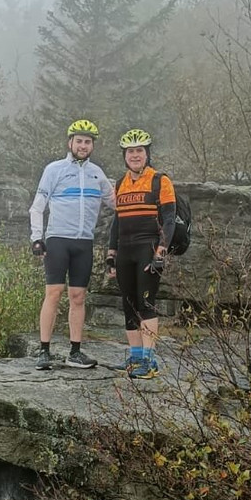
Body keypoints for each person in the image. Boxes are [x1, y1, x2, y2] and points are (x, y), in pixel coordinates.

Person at [29, 119, 116, 370]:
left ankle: (75, 352)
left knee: (78, 297)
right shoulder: (54, 169)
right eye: (79, 141)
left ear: (92, 146)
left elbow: (117, 204)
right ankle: (44, 350)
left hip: (83, 243)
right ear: (70, 142)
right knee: (53, 294)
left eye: (88, 142)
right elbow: (37, 206)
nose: (83, 145)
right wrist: (37, 238)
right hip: (58, 239)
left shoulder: (97, 174)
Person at [106, 128, 174, 379]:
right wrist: (111, 254)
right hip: (125, 250)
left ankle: (149, 361)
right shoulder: (121, 183)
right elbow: (116, 221)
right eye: (130, 151)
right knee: (129, 305)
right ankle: (135, 358)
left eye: (139, 151)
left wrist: (161, 252)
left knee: (146, 304)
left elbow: (169, 220)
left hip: (148, 248)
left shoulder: (160, 180)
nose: (135, 155)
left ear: (147, 154)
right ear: (124, 155)